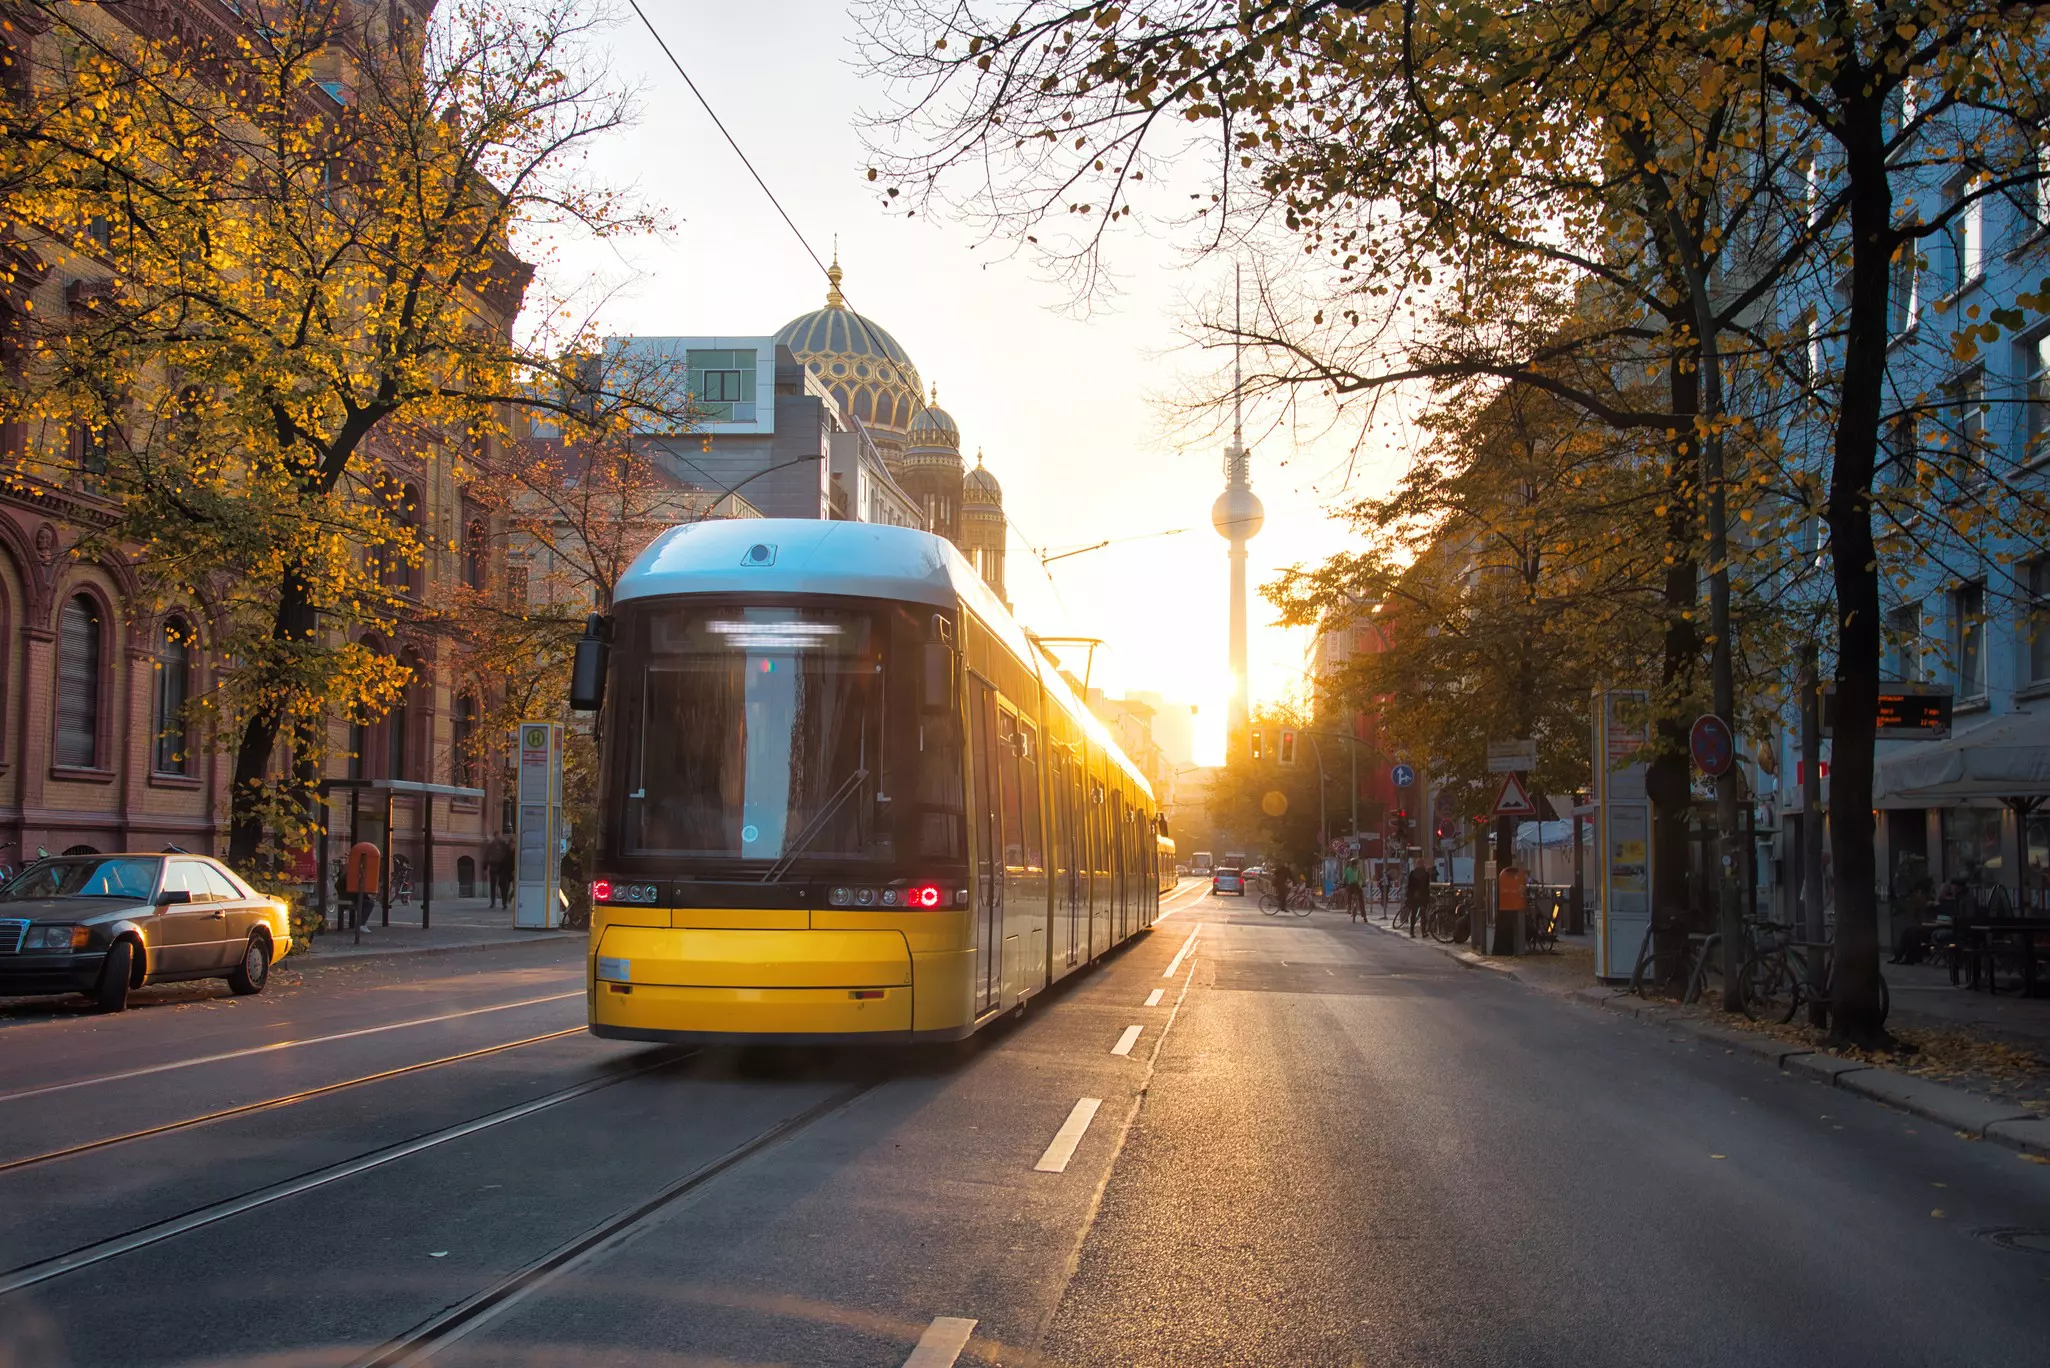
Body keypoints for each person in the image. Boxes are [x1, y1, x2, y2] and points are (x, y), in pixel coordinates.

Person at [343, 839, 381, 940]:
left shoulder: (350, 869)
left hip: (351, 894)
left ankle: (361, 924)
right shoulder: (352, 871)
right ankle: (361, 924)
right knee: (369, 903)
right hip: (351, 894)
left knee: (367, 902)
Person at [1403, 862, 1432, 937]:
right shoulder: (1426, 874)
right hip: (1422, 897)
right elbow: (1427, 886)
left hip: (1414, 897)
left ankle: (1412, 932)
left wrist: (1410, 894)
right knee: (1423, 914)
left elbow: (1409, 885)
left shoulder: (1413, 873)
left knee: (1414, 914)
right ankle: (1423, 932)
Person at [483, 836, 509, 908]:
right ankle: (495, 902)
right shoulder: (492, 845)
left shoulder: (504, 846)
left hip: (501, 869)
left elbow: (508, 857)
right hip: (495, 868)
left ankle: (503, 903)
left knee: (502, 887)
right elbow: (487, 856)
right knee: (495, 886)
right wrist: (485, 868)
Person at [1343, 855, 1365, 921]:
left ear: (1350, 863)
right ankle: (1364, 915)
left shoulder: (1348, 869)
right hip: (1358, 886)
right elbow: (1362, 878)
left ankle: (1349, 908)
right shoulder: (1358, 870)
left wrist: (1344, 883)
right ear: (1356, 864)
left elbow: (1344, 878)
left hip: (1350, 886)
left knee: (1349, 895)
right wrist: (1363, 883)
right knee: (1361, 900)